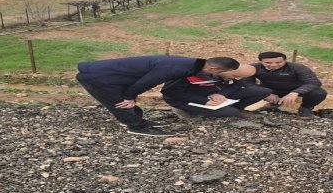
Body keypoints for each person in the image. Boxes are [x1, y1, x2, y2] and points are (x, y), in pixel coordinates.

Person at [75, 55, 241, 136]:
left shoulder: (189, 64)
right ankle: (137, 127)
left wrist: (131, 95)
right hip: (98, 77)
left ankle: (135, 119)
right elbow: (149, 80)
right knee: (120, 102)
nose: (223, 75)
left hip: (115, 76)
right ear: (213, 69)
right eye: (223, 72)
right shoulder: (179, 67)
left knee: (126, 100)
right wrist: (130, 96)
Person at [161, 64, 273, 119]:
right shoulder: (188, 75)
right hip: (188, 99)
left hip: (215, 95)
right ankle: (185, 110)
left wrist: (221, 94)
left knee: (264, 91)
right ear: (224, 70)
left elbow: (237, 85)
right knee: (230, 113)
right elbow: (170, 93)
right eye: (236, 76)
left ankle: (235, 108)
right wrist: (204, 101)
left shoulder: (233, 76)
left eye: (242, 77)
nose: (238, 79)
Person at [248, 52, 327, 117]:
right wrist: (264, 93)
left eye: (278, 62)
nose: (274, 65)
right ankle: (271, 105)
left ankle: (305, 108)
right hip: (270, 89)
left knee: (319, 93)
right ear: (260, 61)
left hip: (294, 89)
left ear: (285, 60)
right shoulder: (254, 67)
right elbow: (246, 83)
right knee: (244, 89)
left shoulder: (298, 67)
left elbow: (314, 82)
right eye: (268, 63)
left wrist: (295, 92)